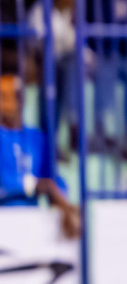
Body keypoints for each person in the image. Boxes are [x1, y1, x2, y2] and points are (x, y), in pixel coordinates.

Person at [0, 72, 79, 238]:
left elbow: (52, 178)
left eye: (18, 95)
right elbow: (6, 184)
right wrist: (34, 185)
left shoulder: (36, 137)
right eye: (5, 96)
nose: (14, 101)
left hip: (32, 218)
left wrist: (58, 191)